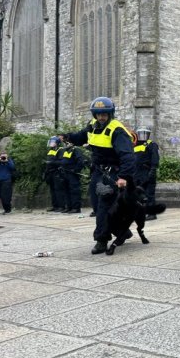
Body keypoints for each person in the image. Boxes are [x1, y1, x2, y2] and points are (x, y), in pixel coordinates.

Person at [62, 97, 136, 254]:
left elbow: (128, 156)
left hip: (113, 173)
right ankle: (122, 231)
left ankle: (101, 240)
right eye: (98, 114)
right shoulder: (92, 126)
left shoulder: (117, 130)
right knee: (96, 205)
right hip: (98, 171)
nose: (101, 117)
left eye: (105, 114)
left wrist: (123, 177)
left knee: (104, 205)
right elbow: (81, 136)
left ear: (110, 114)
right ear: (94, 115)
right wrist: (67, 137)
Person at [133, 126, 160, 219]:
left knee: (149, 193)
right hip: (137, 173)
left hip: (147, 171)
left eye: (145, 133)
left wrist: (152, 170)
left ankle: (152, 213)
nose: (143, 136)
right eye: (141, 133)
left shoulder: (151, 144)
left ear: (148, 135)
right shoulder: (135, 145)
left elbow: (155, 158)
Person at [58, 138, 86, 213]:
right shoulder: (66, 151)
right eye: (64, 143)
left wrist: (76, 170)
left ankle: (76, 208)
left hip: (72, 173)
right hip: (65, 173)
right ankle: (69, 207)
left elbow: (81, 161)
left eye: (67, 143)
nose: (65, 144)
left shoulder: (76, 150)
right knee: (66, 190)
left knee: (74, 190)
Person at [44, 136, 64, 212]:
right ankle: (55, 206)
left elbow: (61, 162)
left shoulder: (60, 150)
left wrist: (52, 162)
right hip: (50, 172)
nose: (51, 143)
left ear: (57, 143)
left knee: (58, 189)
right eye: (51, 142)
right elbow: (48, 162)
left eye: (53, 142)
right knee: (52, 190)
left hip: (57, 172)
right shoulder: (50, 150)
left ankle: (61, 206)